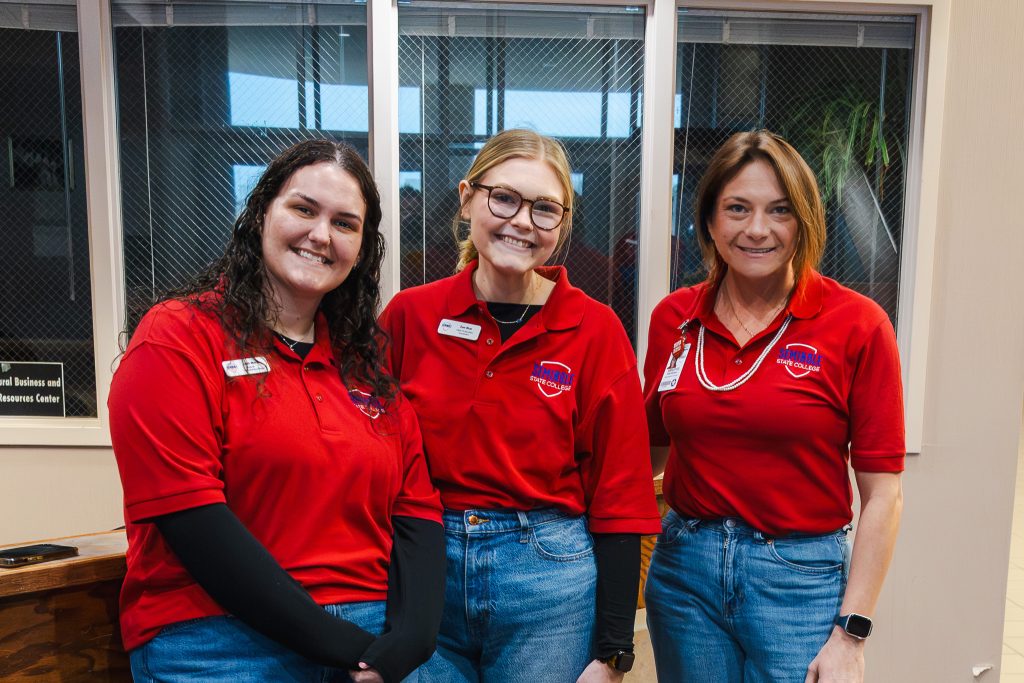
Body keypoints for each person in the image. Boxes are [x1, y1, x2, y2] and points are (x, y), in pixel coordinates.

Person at [108, 140, 445, 683]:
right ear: (262, 211)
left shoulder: (363, 364)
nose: (320, 235)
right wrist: (347, 647)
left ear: (361, 248)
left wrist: (409, 642)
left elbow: (417, 516)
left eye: (345, 223)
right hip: (218, 636)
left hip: (369, 634)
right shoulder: (178, 338)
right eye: (304, 209)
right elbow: (192, 521)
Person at [378, 128, 662, 683]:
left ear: (562, 224)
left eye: (545, 209)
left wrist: (612, 651)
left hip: (546, 580)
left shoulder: (594, 329)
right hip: (424, 567)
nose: (522, 221)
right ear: (467, 198)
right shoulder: (411, 316)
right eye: (503, 198)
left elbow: (622, 492)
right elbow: (371, 462)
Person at [642, 130, 905, 683]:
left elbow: (883, 495)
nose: (756, 229)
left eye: (779, 210)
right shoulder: (675, 318)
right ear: (710, 221)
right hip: (686, 570)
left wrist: (850, 635)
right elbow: (647, 456)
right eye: (737, 208)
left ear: (803, 220)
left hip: (799, 578)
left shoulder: (856, 324)